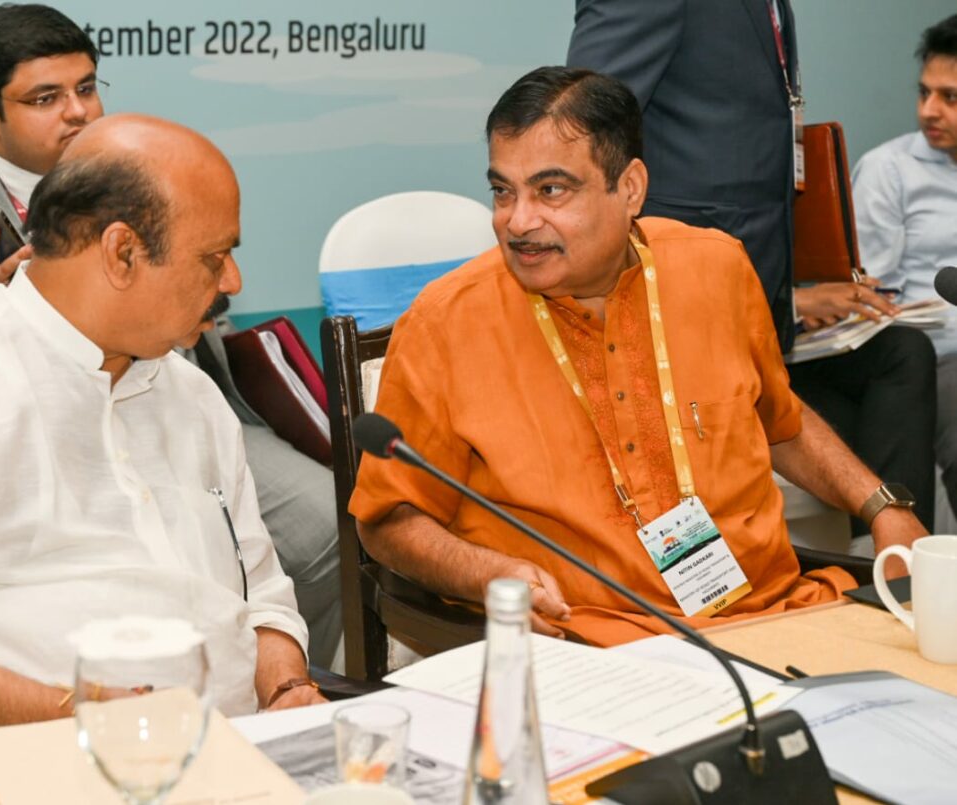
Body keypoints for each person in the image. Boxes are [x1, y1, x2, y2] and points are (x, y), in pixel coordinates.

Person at [0, 113, 327, 777]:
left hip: (237, 760)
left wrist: (286, 689)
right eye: (214, 256)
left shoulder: (191, 395)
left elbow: (261, 597)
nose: (232, 280)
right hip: (30, 772)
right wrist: (100, 715)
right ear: (121, 253)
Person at [349, 67, 926, 647]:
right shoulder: (446, 322)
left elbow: (781, 426)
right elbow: (386, 521)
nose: (518, 222)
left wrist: (883, 507)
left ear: (629, 188)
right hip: (592, 643)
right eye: (503, 191)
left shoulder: (717, 268)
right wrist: (486, 575)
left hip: (774, 612)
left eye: (551, 190)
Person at [0, 3, 340, 667]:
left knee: (332, 525)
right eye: (46, 98)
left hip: (175, 408)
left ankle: (259, 669)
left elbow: (204, 302)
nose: (77, 112)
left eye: (86, 88)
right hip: (34, 435)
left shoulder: (148, 169)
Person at [566, 0, 938, 536]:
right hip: (674, 318)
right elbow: (582, 131)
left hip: (763, 308)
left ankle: (894, 556)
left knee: (900, 354)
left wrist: (791, 301)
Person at [852, 13, 957, 513]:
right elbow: (872, 297)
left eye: (950, 97)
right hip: (937, 358)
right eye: (924, 92)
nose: (929, 110)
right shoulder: (888, 170)